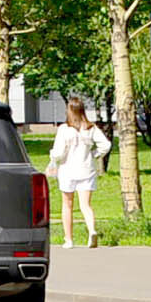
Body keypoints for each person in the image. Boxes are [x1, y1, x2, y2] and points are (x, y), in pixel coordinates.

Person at [49, 98, 108, 248]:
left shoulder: (64, 129)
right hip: (86, 170)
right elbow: (106, 145)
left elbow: (58, 153)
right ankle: (92, 230)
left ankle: (68, 239)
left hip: (68, 171)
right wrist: (95, 154)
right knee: (85, 205)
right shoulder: (90, 128)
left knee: (67, 205)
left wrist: (53, 158)